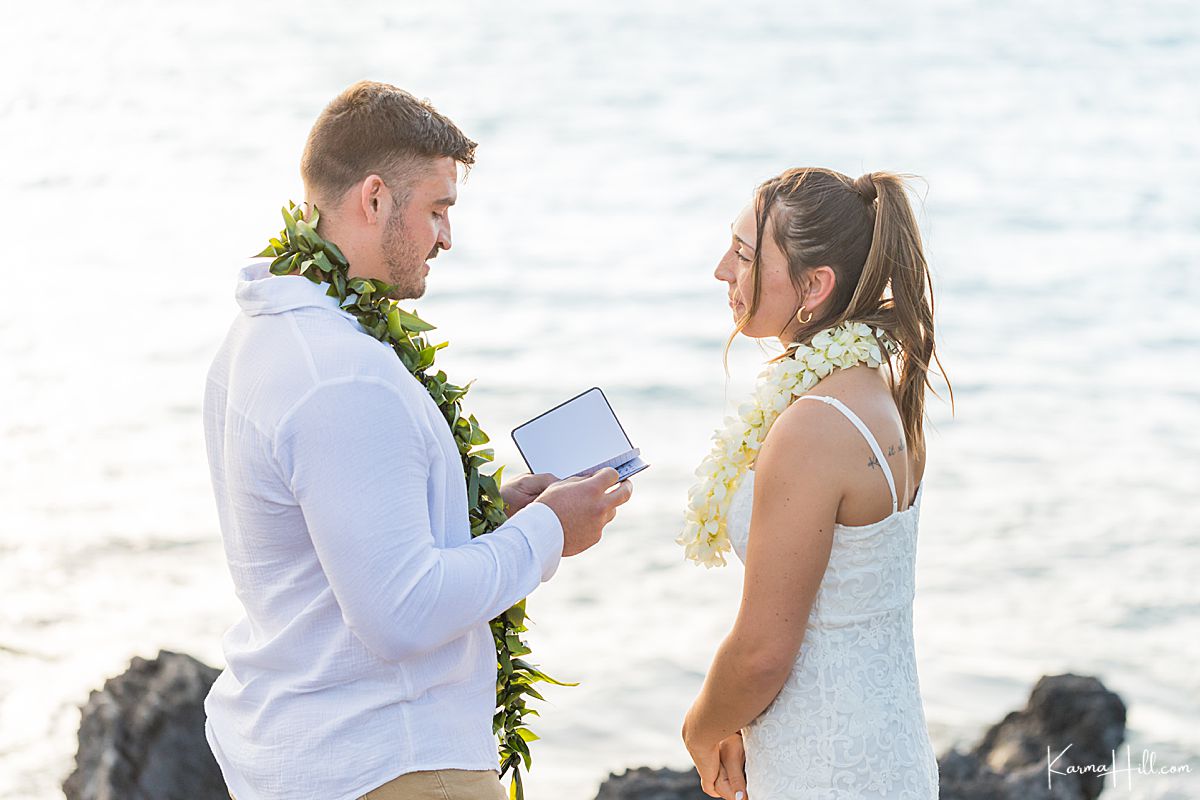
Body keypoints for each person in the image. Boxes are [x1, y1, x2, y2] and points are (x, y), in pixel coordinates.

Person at [202, 80, 634, 800]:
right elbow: (400, 614)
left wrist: (493, 511)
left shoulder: (264, 333)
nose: (447, 237)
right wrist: (549, 533)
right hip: (390, 765)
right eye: (437, 210)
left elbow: (343, 539)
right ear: (374, 199)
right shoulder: (344, 376)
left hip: (316, 754)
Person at [681, 167, 951, 799]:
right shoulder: (879, 395)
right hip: (886, 747)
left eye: (745, 254)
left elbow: (762, 652)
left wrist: (700, 728)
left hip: (827, 768)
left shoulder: (814, 427)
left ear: (814, 286)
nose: (723, 269)